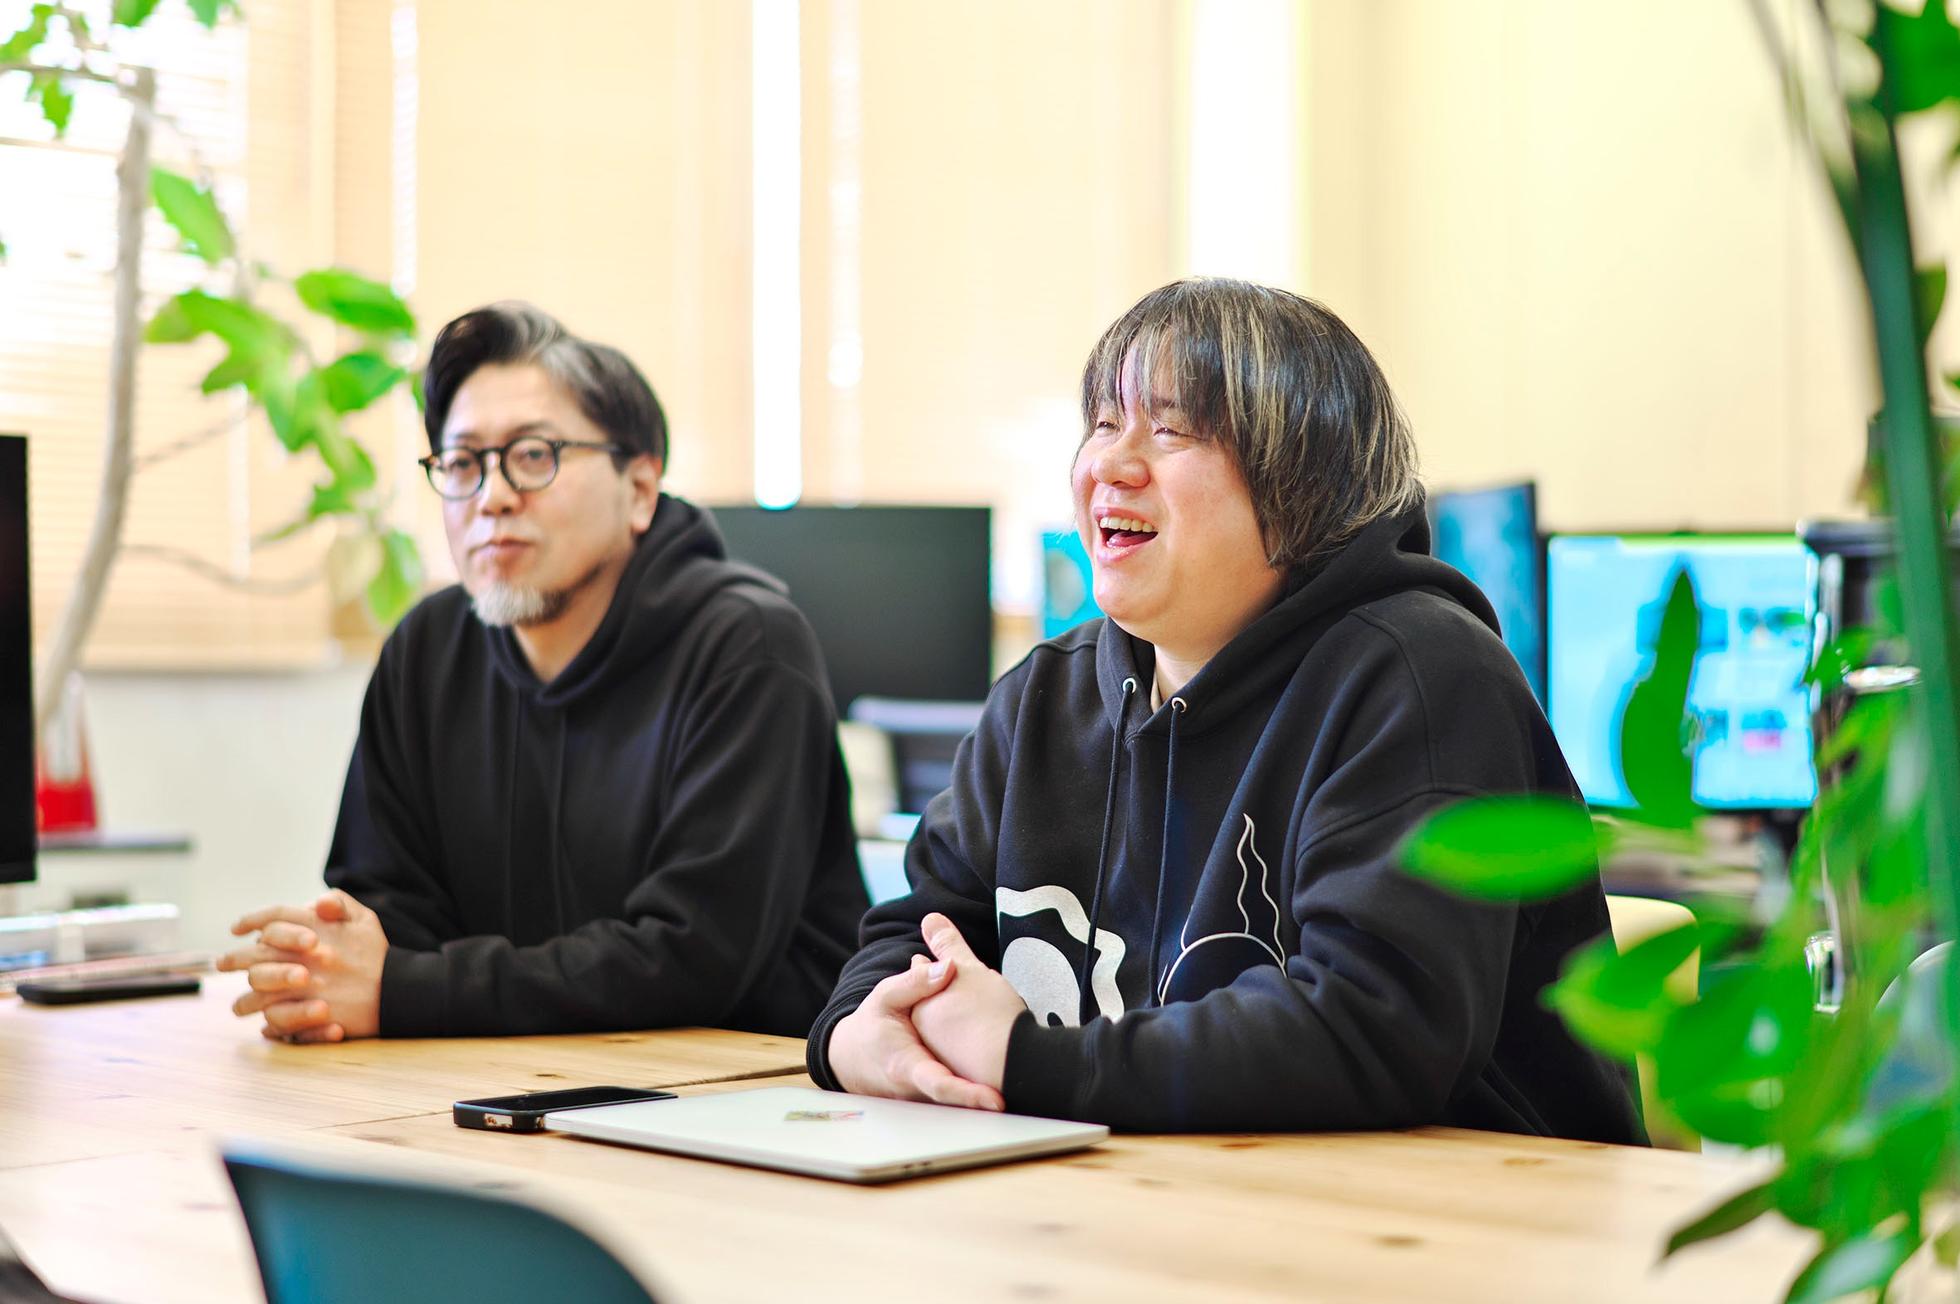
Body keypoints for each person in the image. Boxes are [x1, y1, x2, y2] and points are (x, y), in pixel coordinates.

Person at [808, 278, 1644, 1141]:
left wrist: (1026, 1061)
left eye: (1169, 430)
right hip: (1148, 1189)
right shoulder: (1042, 698)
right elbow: (917, 930)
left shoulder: (1423, 676)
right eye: (1104, 423)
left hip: (1449, 1207)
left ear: (1303, 477)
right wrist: (856, 1034)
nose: (1109, 465)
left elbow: (1375, 1030)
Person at [218, 303, 869, 1042]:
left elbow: (695, 958)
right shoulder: (427, 649)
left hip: (743, 1080)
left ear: (640, 490)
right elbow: (387, 916)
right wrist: (324, 974)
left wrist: (406, 991)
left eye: (533, 455)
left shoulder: (747, 648)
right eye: (462, 464)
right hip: (493, 1069)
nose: (492, 496)